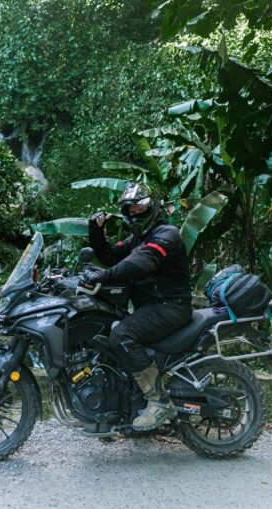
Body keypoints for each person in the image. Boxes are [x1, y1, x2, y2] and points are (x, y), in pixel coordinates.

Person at [80, 182, 192, 430]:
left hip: (170, 306)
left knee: (122, 334)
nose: (135, 213)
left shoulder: (166, 235)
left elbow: (140, 264)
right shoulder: (137, 239)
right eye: (130, 209)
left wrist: (103, 276)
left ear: (152, 207)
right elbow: (110, 257)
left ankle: (159, 402)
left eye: (140, 207)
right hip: (151, 308)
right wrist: (96, 231)